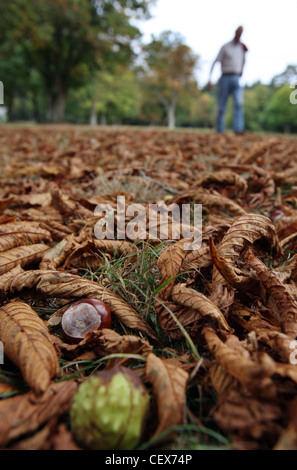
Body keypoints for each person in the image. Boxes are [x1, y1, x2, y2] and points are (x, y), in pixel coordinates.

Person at [208, 26, 248, 134]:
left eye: (241, 32)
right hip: (225, 77)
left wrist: (241, 70)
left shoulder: (242, 48)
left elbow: (244, 60)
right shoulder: (225, 47)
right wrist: (209, 79)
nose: (239, 34)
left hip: (236, 78)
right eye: (238, 32)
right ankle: (219, 129)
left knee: (239, 103)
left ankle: (238, 129)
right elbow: (215, 61)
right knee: (222, 105)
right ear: (235, 32)